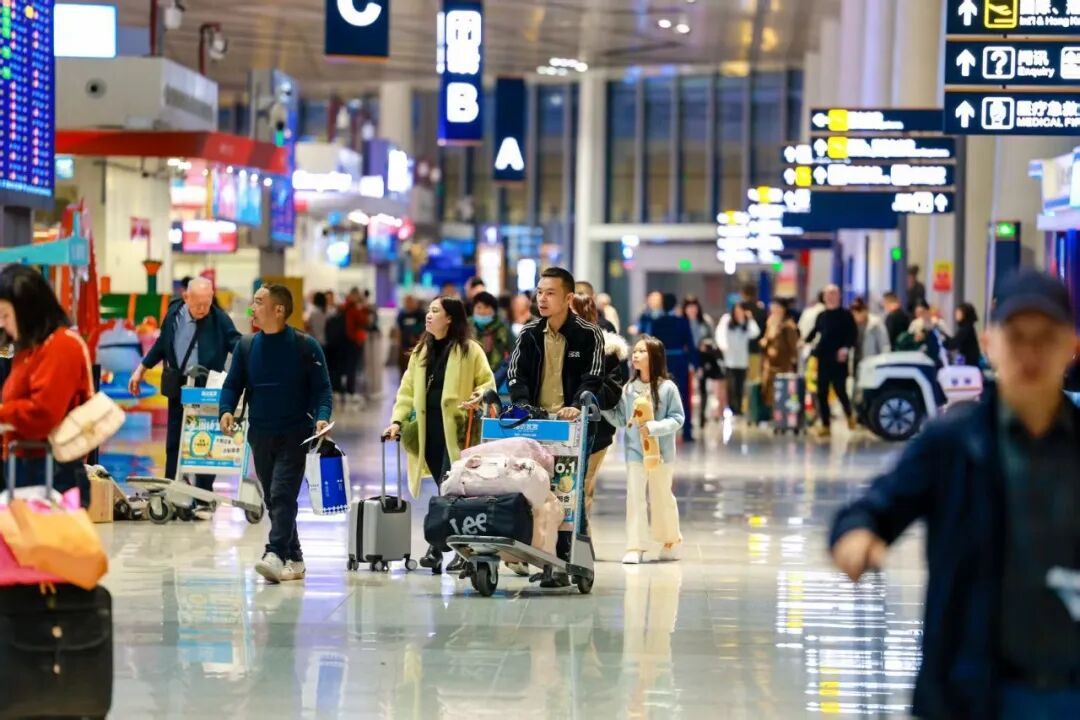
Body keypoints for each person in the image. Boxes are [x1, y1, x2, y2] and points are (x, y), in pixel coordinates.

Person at [830, 269, 1080, 719]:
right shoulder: (953, 443)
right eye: (1016, 337)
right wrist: (858, 533)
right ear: (989, 344)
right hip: (975, 689)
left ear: (1071, 346)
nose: (1031, 353)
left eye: (1046, 338)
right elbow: (877, 506)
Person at [218, 285, 332, 583]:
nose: (251, 309)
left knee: (282, 494)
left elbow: (322, 390)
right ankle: (296, 558)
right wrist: (226, 409)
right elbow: (232, 384)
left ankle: (275, 553)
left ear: (279, 310)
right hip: (260, 433)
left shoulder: (306, 346)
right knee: (273, 498)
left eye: (258, 302)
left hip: (296, 434)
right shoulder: (246, 346)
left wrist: (322, 418)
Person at [507, 267, 605, 586]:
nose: (542, 299)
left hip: (572, 427)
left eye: (550, 293)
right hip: (535, 426)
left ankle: (569, 560)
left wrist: (576, 405)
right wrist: (523, 404)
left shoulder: (589, 334)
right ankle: (540, 554)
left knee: (567, 493)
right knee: (535, 489)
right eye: (539, 292)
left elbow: (593, 377)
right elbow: (516, 375)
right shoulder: (529, 333)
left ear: (568, 297)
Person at [383, 296, 495, 574]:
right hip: (428, 430)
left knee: (451, 488)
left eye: (435, 311)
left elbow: (487, 382)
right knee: (445, 487)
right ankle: (458, 547)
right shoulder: (422, 352)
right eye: (428, 310)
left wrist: (479, 396)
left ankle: (438, 548)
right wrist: (396, 421)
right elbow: (407, 391)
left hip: (458, 431)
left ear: (450, 318)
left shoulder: (470, 350)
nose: (428, 315)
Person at [130, 276, 240, 515]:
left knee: (205, 440)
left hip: (205, 390)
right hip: (178, 387)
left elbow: (238, 346)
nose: (203, 309)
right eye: (198, 304)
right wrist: (141, 370)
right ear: (186, 297)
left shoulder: (219, 320)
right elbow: (162, 345)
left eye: (207, 303)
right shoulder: (173, 314)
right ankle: (171, 490)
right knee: (174, 441)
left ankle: (204, 497)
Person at [0, 265, 94, 505]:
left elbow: (43, 413)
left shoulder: (62, 346)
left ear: (28, 311)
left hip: (53, 471)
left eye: (6, 316)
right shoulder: (26, 349)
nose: (2, 324)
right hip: (23, 464)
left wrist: (3, 414)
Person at [603, 335, 684, 565]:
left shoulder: (668, 388)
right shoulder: (629, 389)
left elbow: (677, 418)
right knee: (635, 496)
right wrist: (602, 408)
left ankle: (670, 541)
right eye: (635, 351)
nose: (635, 355)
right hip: (635, 452)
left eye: (641, 351)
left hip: (662, 454)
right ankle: (636, 546)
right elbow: (622, 418)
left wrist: (654, 428)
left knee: (662, 496)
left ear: (654, 357)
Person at [570, 293, 629, 519]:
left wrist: (585, 391)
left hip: (596, 432)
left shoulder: (607, 349)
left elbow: (612, 392)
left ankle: (580, 537)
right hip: (559, 430)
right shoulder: (552, 344)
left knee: (583, 487)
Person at [806, 285, 858, 437]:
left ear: (839, 295)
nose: (830, 296)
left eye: (834, 293)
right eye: (828, 294)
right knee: (821, 391)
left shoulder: (845, 315)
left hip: (839, 358)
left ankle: (849, 414)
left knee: (840, 389)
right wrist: (804, 340)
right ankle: (825, 424)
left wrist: (846, 348)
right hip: (823, 357)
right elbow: (815, 332)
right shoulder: (821, 315)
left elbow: (852, 334)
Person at [648, 293, 698, 442]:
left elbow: (652, 344)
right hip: (680, 362)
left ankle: (661, 431)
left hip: (663, 363)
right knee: (683, 396)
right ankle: (687, 431)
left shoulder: (657, 322)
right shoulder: (682, 322)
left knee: (661, 396)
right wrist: (695, 363)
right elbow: (690, 344)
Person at [715, 303, 761, 418]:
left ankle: (738, 409)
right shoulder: (727, 320)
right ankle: (732, 407)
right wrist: (723, 346)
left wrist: (750, 319)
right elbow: (720, 334)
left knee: (740, 386)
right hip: (729, 360)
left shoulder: (746, 323)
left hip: (742, 360)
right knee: (731, 385)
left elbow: (755, 333)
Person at [760, 298, 800, 414]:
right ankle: (772, 414)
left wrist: (793, 362)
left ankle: (782, 417)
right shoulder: (770, 322)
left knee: (782, 392)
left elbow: (793, 346)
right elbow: (767, 338)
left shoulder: (788, 325)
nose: (774, 310)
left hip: (783, 365)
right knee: (768, 391)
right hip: (769, 364)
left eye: (777, 307)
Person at [471, 291, 512, 389]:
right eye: (478, 307)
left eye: (486, 307)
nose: (482, 311)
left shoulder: (503, 329)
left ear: (494, 311)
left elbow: (513, 353)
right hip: (470, 377)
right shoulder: (467, 327)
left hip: (497, 379)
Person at [341, 288, 369, 404]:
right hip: (353, 341)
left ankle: (348, 390)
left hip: (347, 340)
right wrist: (364, 309)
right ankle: (350, 391)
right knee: (352, 367)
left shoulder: (345, 307)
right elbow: (363, 320)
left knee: (350, 367)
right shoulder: (353, 308)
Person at [850, 297, 891, 371]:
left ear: (866, 310)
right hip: (857, 364)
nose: (857, 315)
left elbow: (884, 345)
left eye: (859, 311)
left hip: (873, 364)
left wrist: (884, 364)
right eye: (854, 312)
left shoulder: (875, 324)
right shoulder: (852, 325)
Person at [395, 295, 427, 375]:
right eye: (407, 302)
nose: (409, 304)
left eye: (411, 302)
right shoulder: (401, 315)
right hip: (404, 346)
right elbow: (399, 330)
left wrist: (421, 342)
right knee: (403, 368)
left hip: (417, 346)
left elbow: (425, 330)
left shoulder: (421, 314)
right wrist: (399, 343)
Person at [946, 302, 982, 367]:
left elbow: (953, 344)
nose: (956, 315)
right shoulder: (966, 327)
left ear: (964, 314)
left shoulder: (966, 328)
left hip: (969, 363)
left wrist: (944, 337)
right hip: (967, 360)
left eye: (958, 313)